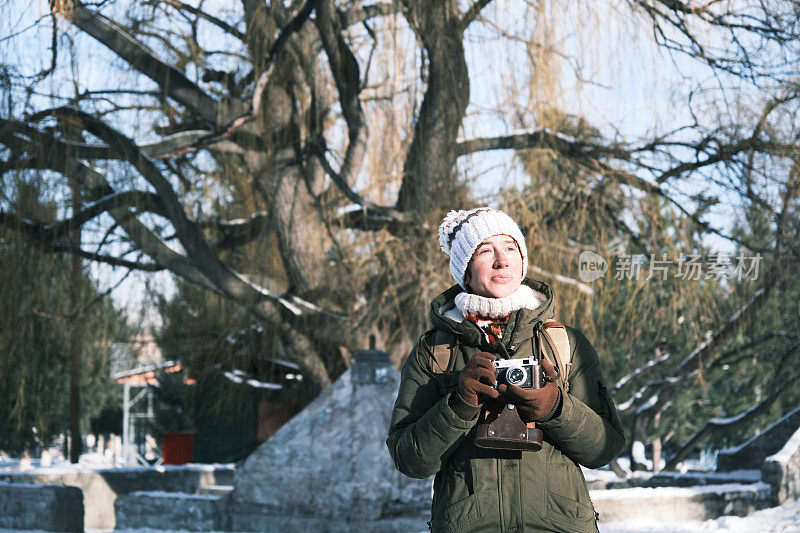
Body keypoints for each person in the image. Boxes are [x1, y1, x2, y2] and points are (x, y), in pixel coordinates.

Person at [386, 207, 625, 533]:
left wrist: (557, 408)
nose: (502, 260)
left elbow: (605, 448)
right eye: (485, 251)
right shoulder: (436, 352)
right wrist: (458, 406)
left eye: (510, 248)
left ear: (522, 261)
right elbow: (409, 459)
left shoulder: (563, 344)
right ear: (465, 271)